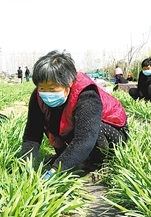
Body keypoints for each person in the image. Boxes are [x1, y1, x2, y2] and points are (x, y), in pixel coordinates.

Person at [21, 50, 129, 179]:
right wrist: (26, 162)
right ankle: (69, 158)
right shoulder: (38, 96)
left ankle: (96, 163)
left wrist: (55, 170)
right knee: (51, 123)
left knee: (95, 130)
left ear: (69, 83)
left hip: (113, 132)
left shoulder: (87, 95)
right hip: (78, 130)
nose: (46, 93)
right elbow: (32, 133)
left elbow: (85, 139)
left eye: (52, 88)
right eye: (41, 88)